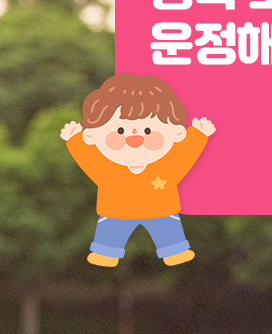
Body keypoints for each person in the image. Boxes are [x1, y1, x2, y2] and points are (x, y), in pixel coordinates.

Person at [59, 74, 216, 267]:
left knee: (166, 229)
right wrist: (75, 140)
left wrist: (197, 136)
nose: (135, 138)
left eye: (148, 130)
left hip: (158, 209)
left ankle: (173, 249)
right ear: (93, 135)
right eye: (120, 131)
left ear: (176, 133)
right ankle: (106, 251)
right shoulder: (108, 169)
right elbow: (89, 160)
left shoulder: (165, 166)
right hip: (118, 210)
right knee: (111, 233)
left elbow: (184, 156)